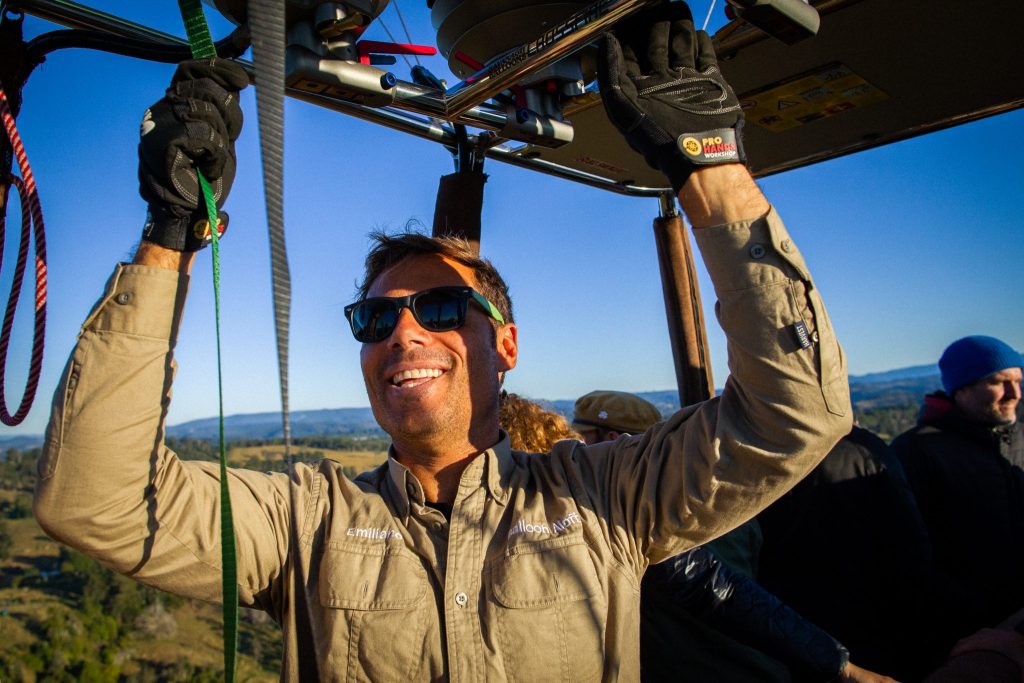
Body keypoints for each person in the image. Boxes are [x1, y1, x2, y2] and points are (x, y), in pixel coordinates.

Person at [33, 3, 851, 679]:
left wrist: (709, 165)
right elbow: (92, 497)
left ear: (507, 345)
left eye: (440, 307)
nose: (405, 332)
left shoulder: (606, 496)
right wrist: (171, 232)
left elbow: (797, 416)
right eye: (376, 318)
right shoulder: (305, 523)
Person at [570, 392, 892, 683]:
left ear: (610, 439)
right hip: (766, 668)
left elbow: (712, 586)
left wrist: (836, 663)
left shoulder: (624, 516)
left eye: (582, 438)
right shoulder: (723, 496)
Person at [758, 425, 957, 680]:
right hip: (870, 626)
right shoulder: (864, 449)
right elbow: (911, 551)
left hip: (785, 630)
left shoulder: (743, 450)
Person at [891, 335, 1023, 639]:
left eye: (1018, 381)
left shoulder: (1021, 440)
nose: (1014, 393)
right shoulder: (917, 452)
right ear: (961, 389)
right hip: (964, 630)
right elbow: (907, 552)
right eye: (999, 383)